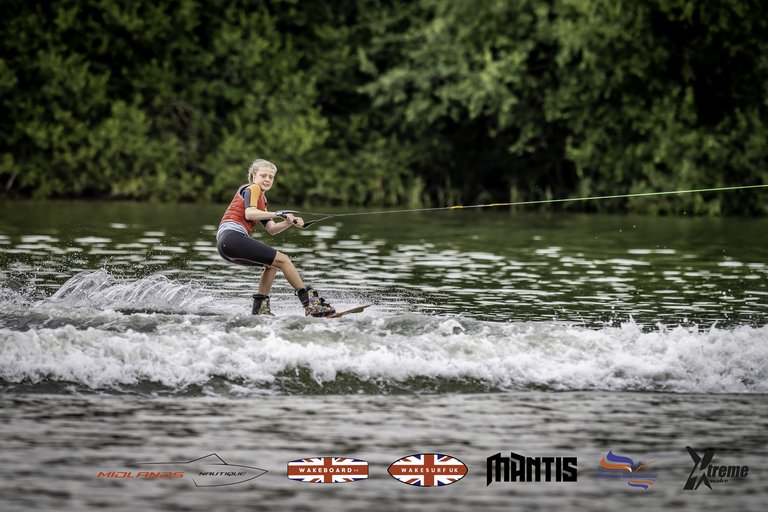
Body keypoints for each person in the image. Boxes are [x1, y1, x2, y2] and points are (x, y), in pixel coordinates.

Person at [216, 159, 336, 317]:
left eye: (271, 177)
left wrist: (289, 222)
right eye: (263, 175)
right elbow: (249, 213)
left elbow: (272, 229)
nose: (267, 179)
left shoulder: (261, 200)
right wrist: (278, 213)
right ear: (253, 176)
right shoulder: (252, 188)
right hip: (231, 238)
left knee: (271, 265)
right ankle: (310, 304)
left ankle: (260, 309)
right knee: (284, 260)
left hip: (227, 245)